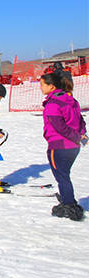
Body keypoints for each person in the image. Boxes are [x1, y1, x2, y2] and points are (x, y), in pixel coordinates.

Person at [40, 72, 86, 221]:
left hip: (59, 146)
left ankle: (69, 205)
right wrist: (82, 135)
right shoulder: (71, 100)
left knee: (62, 176)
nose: (40, 88)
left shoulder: (53, 104)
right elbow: (80, 121)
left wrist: (77, 137)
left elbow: (60, 127)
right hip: (73, 147)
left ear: (51, 86)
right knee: (64, 174)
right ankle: (67, 197)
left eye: (42, 85)